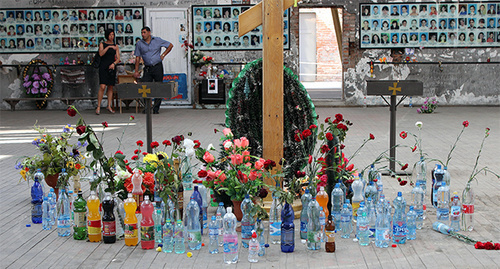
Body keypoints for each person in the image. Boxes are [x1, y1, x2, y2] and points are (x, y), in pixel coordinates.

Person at [133, 26, 173, 114]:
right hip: (147, 67)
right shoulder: (140, 44)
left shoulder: (157, 40)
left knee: (159, 86)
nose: (143, 34)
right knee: (145, 86)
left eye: (144, 32)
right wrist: (136, 71)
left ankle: (156, 108)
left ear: (149, 33)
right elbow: (137, 58)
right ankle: (147, 107)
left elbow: (170, 45)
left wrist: (163, 55)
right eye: (142, 33)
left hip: (157, 66)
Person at [97, 29, 120, 115]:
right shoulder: (102, 44)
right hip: (103, 67)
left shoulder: (116, 46)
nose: (112, 36)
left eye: (113, 35)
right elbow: (101, 54)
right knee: (102, 86)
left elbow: (118, 58)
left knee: (110, 87)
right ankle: (98, 106)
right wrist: (109, 47)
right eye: (110, 35)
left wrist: (114, 63)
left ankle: (109, 105)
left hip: (111, 67)